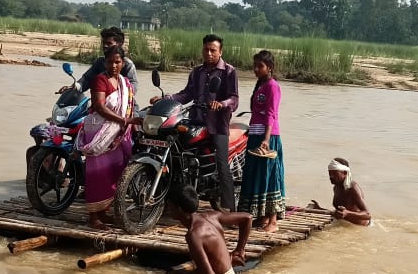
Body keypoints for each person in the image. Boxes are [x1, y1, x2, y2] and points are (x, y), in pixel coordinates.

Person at [149, 34, 238, 211]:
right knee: (176, 151)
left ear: (220, 51)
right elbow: (187, 94)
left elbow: (234, 99)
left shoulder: (229, 71)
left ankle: (229, 209)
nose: (209, 53)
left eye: (213, 50)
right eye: (206, 49)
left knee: (222, 164)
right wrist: (166, 98)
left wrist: (221, 104)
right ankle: (172, 198)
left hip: (218, 123)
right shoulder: (197, 72)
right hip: (196, 119)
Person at [28, 27, 138, 156]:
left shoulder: (126, 64)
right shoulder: (100, 62)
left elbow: (132, 86)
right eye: (104, 43)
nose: (105, 46)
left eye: (109, 43)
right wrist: (74, 86)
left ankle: (133, 161)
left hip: (124, 107)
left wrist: (115, 95)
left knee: (134, 131)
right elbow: (86, 79)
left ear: (119, 45)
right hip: (99, 104)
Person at [162, 182, 252, 274]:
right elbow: (247, 218)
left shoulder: (194, 235)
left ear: (179, 209)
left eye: (169, 205)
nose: (167, 208)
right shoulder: (211, 216)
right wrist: (240, 249)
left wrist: (181, 273)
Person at [80, 45, 140, 229]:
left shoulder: (125, 83)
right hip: (100, 133)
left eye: (117, 62)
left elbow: (129, 106)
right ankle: (94, 217)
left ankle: (103, 212)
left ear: (123, 63)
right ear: (105, 62)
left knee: (115, 172)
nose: (114, 65)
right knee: (98, 175)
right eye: (110, 62)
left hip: (118, 135)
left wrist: (132, 125)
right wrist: (124, 120)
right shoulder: (100, 80)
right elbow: (99, 106)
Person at [238, 50, 285, 232]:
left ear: (270, 68)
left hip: (268, 137)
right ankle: (262, 217)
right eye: (255, 66)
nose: (256, 69)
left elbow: (271, 114)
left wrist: (266, 139)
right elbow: (257, 114)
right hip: (256, 135)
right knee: (256, 174)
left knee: (270, 175)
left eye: (260, 66)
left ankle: (273, 220)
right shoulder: (260, 86)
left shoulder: (273, 86)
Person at [308, 157, 372, 227]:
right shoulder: (336, 187)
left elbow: (368, 215)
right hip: (344, 224)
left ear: (345, 173)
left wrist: (348, 213)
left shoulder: (352, 188)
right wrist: (319, 209)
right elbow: (338, 213)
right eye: (330, 173)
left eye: (335, 173)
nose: (331, 176)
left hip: (359, 227)